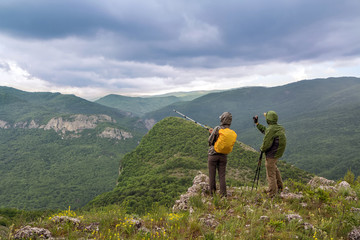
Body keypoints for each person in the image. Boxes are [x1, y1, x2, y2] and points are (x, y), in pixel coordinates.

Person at [253, 111, 286, 197]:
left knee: (270, 173)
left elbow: (266, 142)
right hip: (278, 153)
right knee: (274, 168)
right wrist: (257, 124)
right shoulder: (278, 127)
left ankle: (272, 193)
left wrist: (262, 149)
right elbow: (266, 130)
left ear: (268, 119)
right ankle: (280, 187)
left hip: (272, 154)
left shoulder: (271, 129)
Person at [208, 112, 233, 197]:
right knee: (222, 176)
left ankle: (213, 195)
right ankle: (223, 195)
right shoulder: (230, 132)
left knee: (212, 175)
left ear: (222, 119)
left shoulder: (217, 128)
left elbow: (210, 141)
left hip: (213, 155)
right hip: (223, 156)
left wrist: (211, 133)